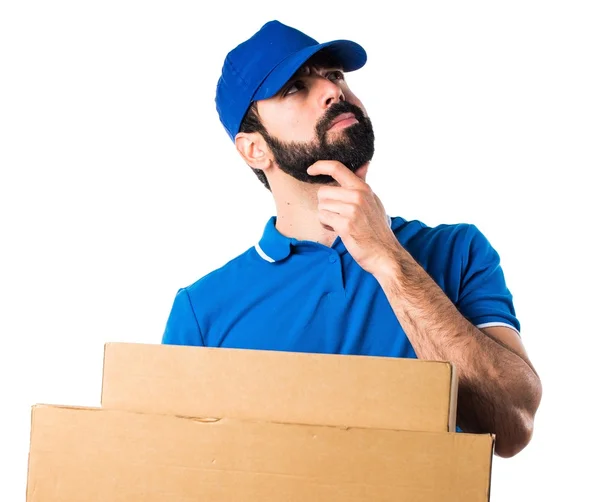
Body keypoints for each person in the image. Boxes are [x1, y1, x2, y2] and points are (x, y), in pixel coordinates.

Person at [161, 20, 542, 458]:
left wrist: (388, 258)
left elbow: (512, 425)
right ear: (254, 149)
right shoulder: (203, 311)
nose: (332, 90)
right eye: (294, 88)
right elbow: (180, 470)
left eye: (335, 75)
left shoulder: (457, 251)